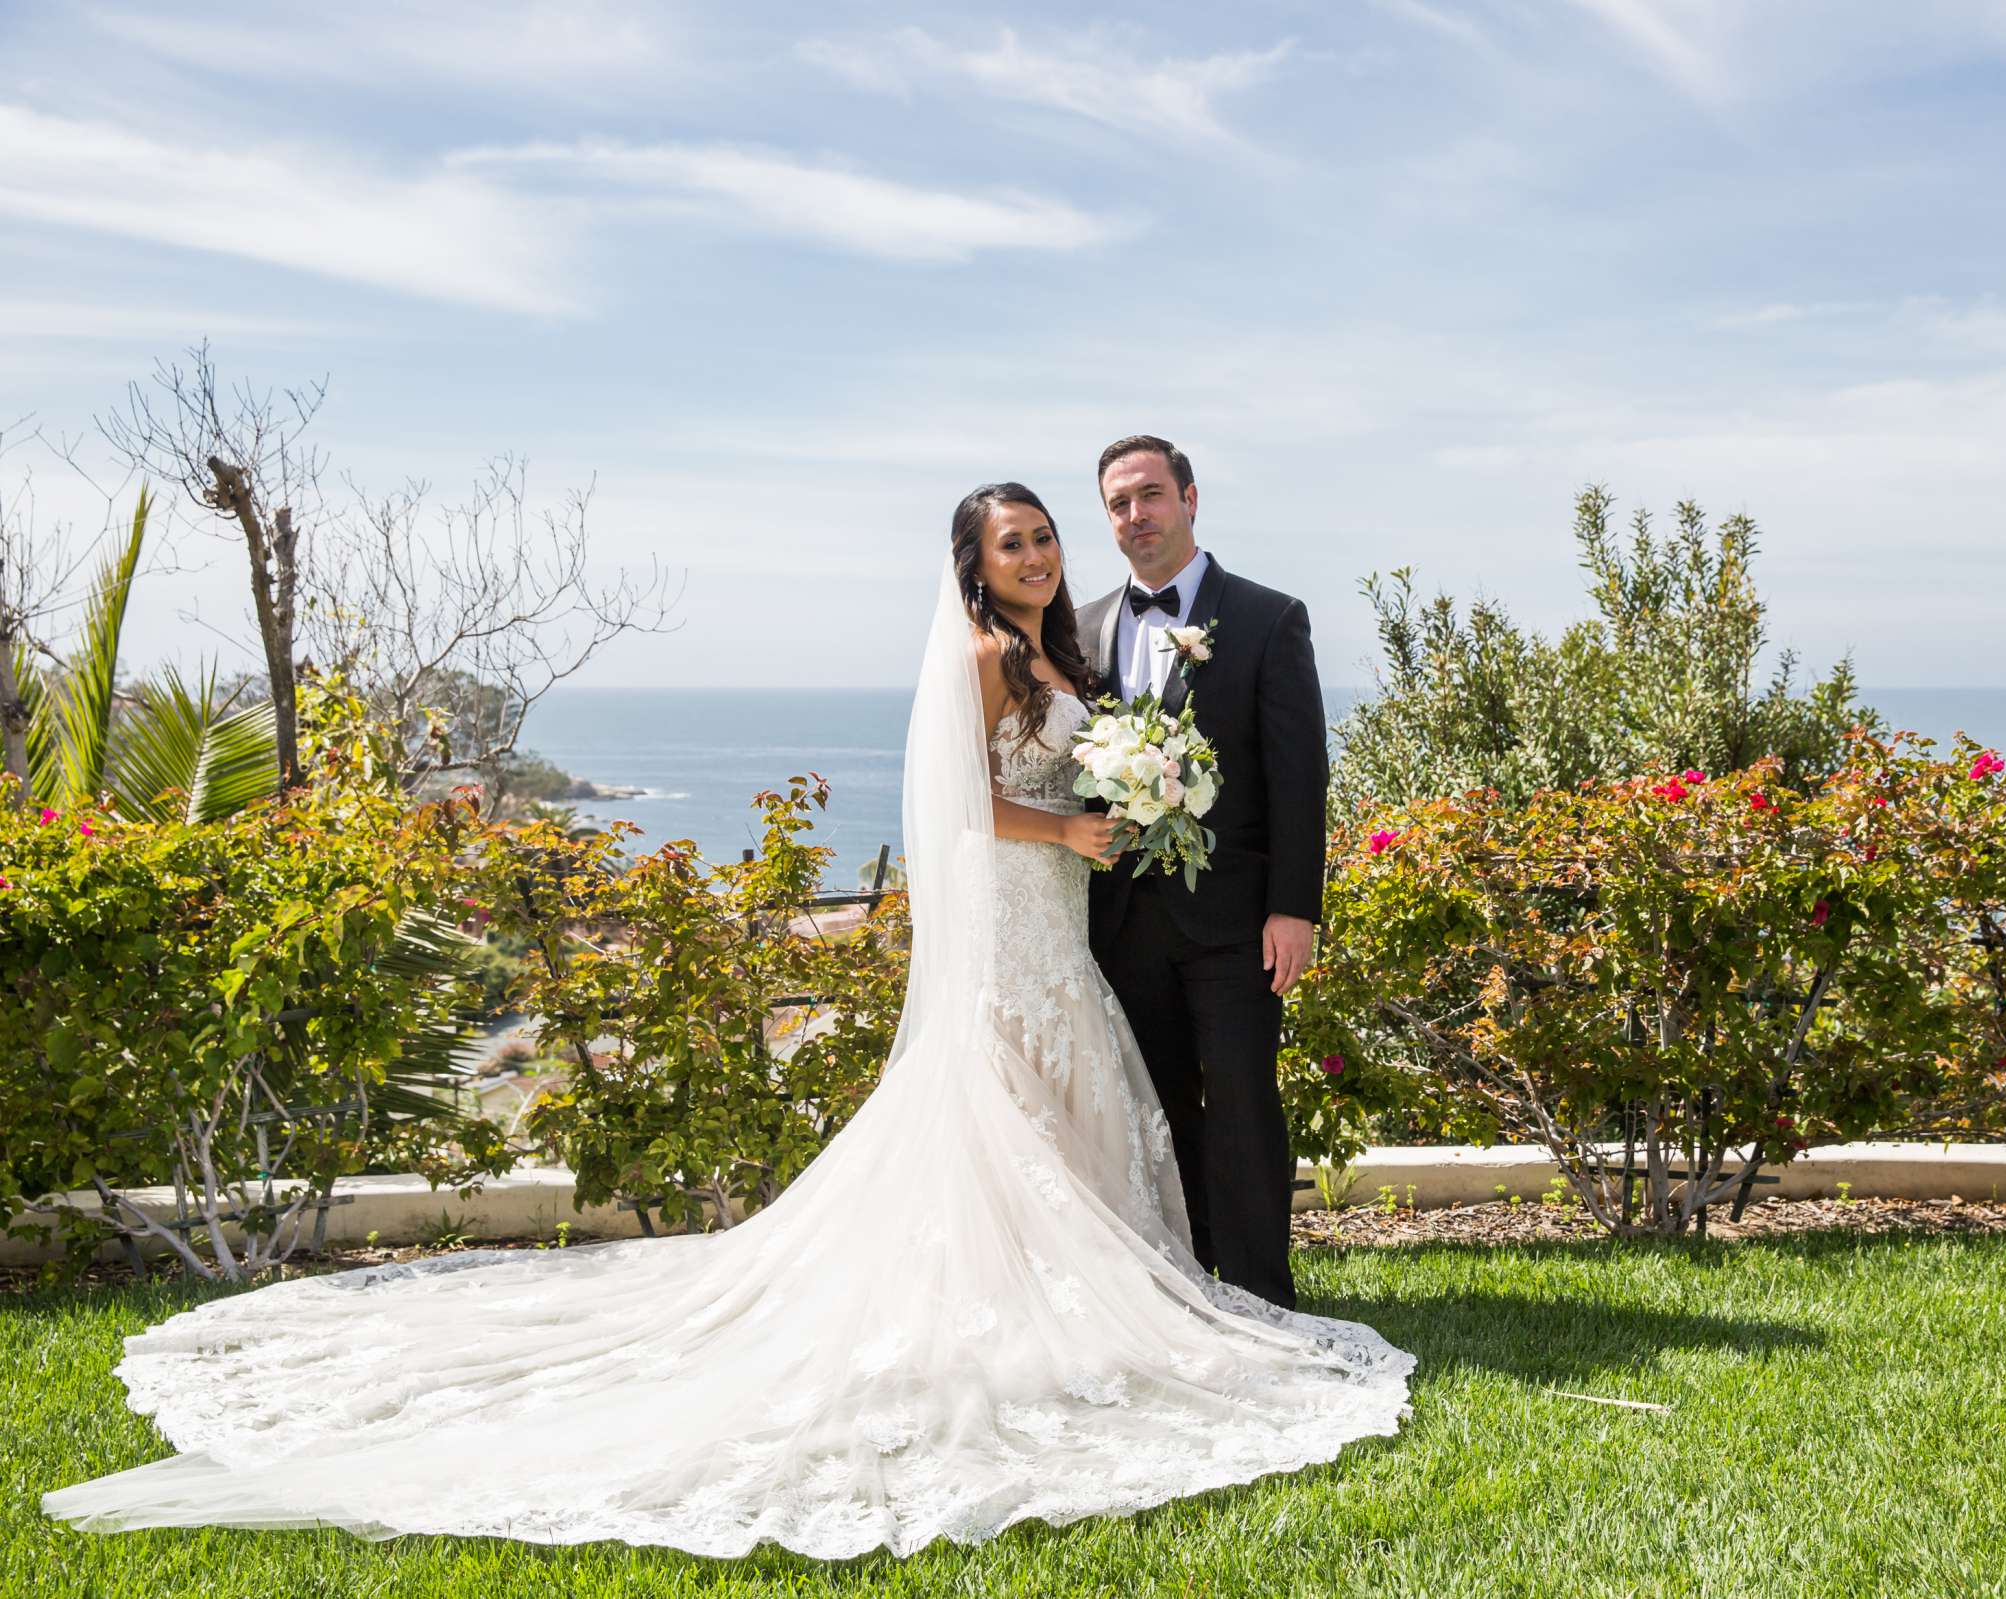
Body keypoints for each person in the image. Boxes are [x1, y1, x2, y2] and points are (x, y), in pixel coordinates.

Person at [41, 482, 1411, 1562]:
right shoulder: (992, 660)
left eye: (1047, 533)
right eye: (1016, 540)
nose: (1042, 553)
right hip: (1017, 909)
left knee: (1069, 1104)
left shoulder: (1075, 646)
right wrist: (1071, 820)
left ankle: (1120, 1298)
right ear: (974, 565)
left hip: (1071, 920)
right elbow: (957, 807)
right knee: (1005, 1102)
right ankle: (1026, 1313)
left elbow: (1212, 761)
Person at [1078, 435, 1325, 1310]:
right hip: (1119, 922)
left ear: (1189, 498)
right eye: (1117, 503)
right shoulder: (1081, 627)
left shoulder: (1267, 617)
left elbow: (1299, 774)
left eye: (1149, 495)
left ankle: (1262, 1293)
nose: (1135, 516)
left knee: (1245, 1106)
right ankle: (1189, 1286)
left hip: (1235, 920)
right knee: (1156, 1110)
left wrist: (1295, 908)